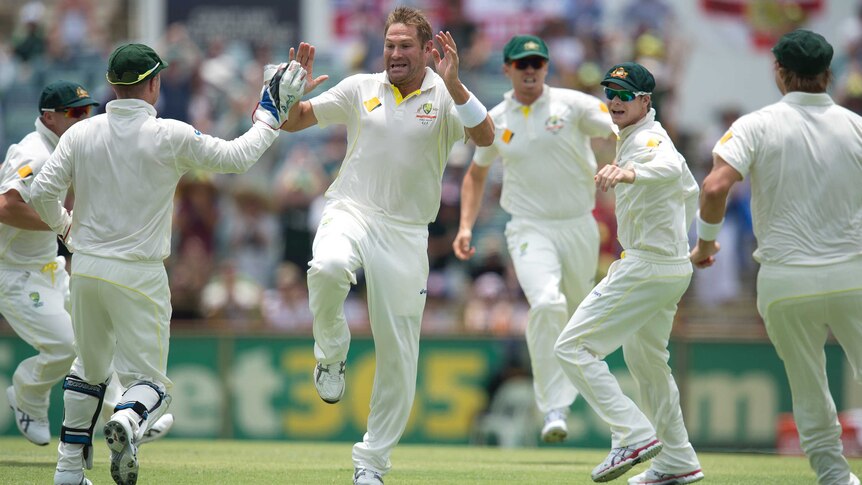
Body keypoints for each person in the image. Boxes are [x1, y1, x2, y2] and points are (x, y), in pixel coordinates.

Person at [27, 43, 307, 485]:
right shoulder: (168, 134)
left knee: (88, 368)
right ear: (154, 84)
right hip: (138, 272)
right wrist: (270, 111)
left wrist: (66, 230)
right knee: (150, 385)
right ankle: (128, 420)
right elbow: (237, 157)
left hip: (85, 268)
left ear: (113, 85)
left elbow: (40, 194)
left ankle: (66, 470)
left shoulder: (80, 134)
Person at [281, 6, 494, 484]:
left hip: (406, 232)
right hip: (351, 209)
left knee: (399, 355)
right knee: (329, 266)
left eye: (405, 47)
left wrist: (456, 84)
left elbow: (486, 135)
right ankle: (332, 351)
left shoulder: (445, 95)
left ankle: (371, 465)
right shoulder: (362, 87)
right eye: (390, 45)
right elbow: (294, 121)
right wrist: (285, 95)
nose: (395, 54)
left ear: (426, 50)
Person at [691, 30, 862, 485]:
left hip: (786, 281)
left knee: (809, 383)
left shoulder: (757, 124)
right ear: (829, 74)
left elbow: (713, 187)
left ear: (780, 74)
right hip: (853, 275)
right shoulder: (856, 126)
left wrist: (707, 244)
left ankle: (834, 476)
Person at [452, 34, 616, 443]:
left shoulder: (573, 104)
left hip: (578, 224)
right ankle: (553, 405)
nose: (529, 71)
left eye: (536, 64)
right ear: (506, 69)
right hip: (528, 227)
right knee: (546, 302)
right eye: (521, 64)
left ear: (546, 68)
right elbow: (476, 174)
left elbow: (618, 126)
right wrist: (467, 226)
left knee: (578, 317)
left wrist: (626, 163)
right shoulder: (496, 118)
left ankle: (597, 406)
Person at [0, 80, 173, 449]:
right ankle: (26, 393)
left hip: (49, 266)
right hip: (13, 272)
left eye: (87, 110)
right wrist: (64, 222)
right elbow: (6, 206)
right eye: (74, 113)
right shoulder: (35, 153)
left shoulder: (67, 145)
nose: (84, 118)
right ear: (48, 117)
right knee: (65, 347)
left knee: (94, 345)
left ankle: (124, 414)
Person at [553, 62, 704, 485]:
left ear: (645, 100)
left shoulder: (650, 140)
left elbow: (672, 170)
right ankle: (678, 458)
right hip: (669, 265)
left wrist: (631, 172)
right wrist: (684, 240)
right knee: (648, 364)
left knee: (572, 347)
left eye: (624, 94)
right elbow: (689, 190)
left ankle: (633, 433)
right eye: (611, 93)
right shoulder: (635, 136)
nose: (614, 101)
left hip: (647, 265)